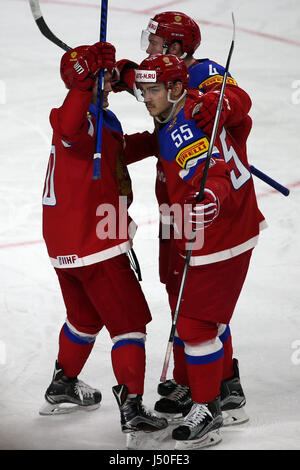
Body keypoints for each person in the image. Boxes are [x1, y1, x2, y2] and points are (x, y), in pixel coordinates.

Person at [112, 11, 254, 425]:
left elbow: (240, 102)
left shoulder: (204, 74)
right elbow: (139, 83)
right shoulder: (162, 82)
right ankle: (190, 380)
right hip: (175, 199)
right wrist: (115, 71)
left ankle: (223, 382)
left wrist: (217, 102)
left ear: (175, 48)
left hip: (207, 199)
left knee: (200, 305)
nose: (146, 48)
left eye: (153, 42)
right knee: (179, 292)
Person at [133, 53, 266, 449]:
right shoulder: (185, 102)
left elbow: (215, 170)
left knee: (195, 326)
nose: (147, 99)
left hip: (220, 233)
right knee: (200, 321)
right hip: (211, 228)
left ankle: (209, 410)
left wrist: (210, 197)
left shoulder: (183, 127)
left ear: (175, 88)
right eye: (144, 91)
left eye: (153, 90)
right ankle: (221, 395)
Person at [40, 41, 168, 440]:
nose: (112, 75)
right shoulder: (77, 117)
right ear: (87, 81)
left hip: (66, 244)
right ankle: (132, 410)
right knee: (129, 324)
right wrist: (80, 88)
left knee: (84, 318)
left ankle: (62, 384)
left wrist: (159, 138)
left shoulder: (100, 120)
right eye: (104, 72)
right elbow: (67, 126)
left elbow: (115, 151)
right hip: (96, 241)